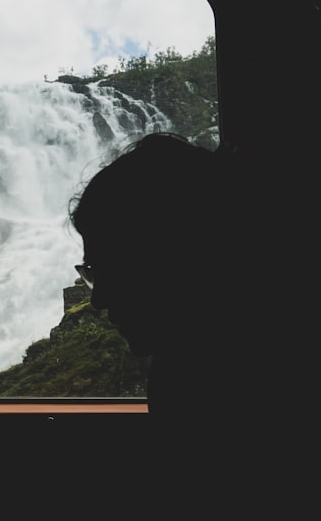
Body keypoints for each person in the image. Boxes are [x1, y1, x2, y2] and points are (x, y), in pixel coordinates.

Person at [69, 133, 246, 422]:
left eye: (116, 270)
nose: (98, 299)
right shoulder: (182, 367)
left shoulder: (187, 379)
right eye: (94, 272)